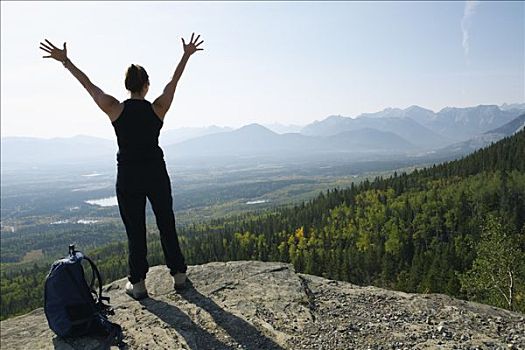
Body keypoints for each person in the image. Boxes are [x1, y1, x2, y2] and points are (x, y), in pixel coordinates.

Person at [39, 33, 204, 300]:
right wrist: (185, 55)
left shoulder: (115, 108)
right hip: (156, 173)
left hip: (128, 176)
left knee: (135, 230)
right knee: (166, 222)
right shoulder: (158, 108)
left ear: (127, 86)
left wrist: (66, 62)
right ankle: (180, 276)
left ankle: (138, 284)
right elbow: (174, 83)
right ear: (146, 85)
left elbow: (89, 86)